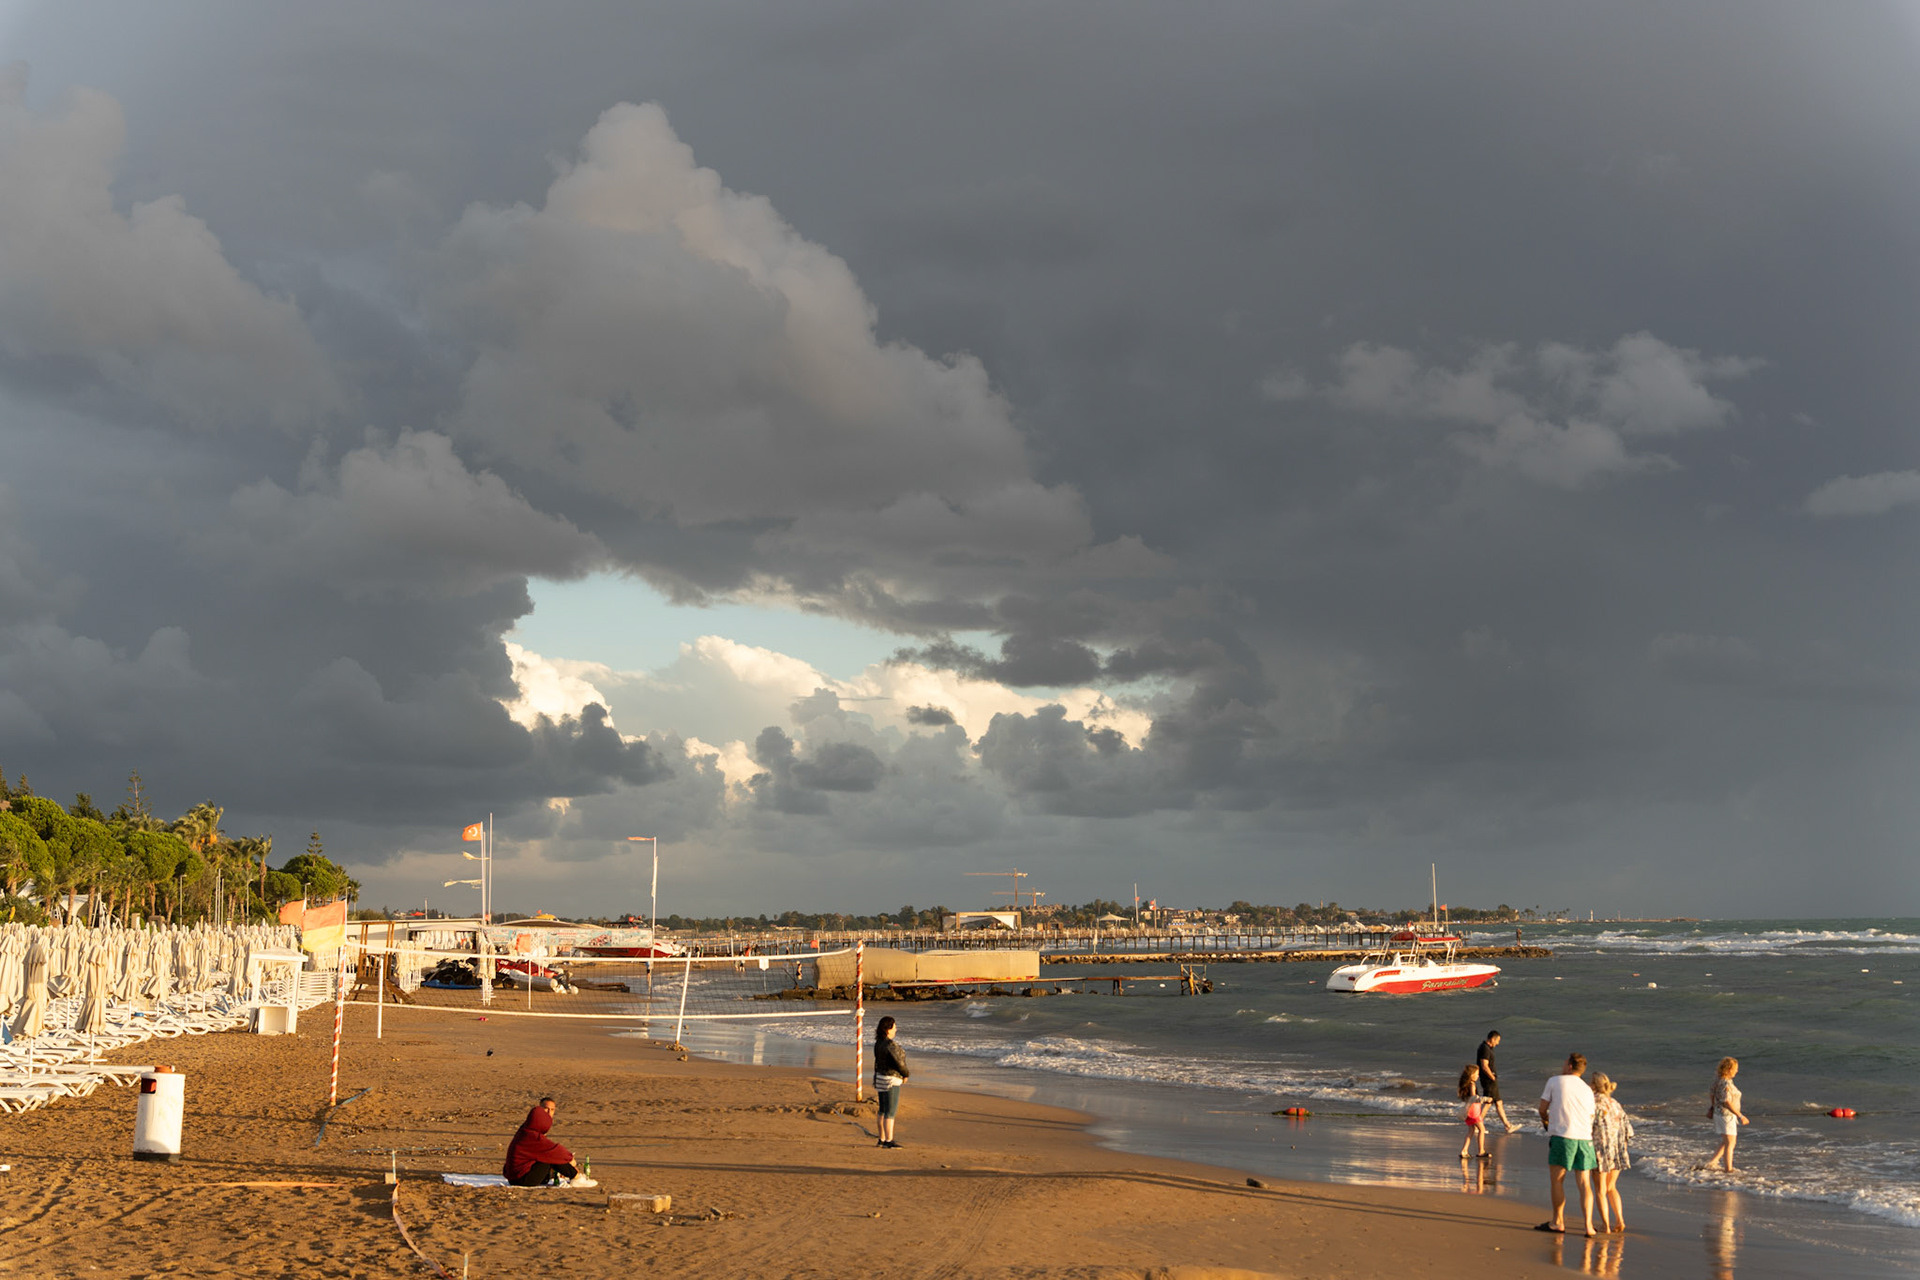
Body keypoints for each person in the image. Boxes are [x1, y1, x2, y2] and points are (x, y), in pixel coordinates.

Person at [1536, 1052, 1597, 1237]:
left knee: (1557, 1180)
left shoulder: (1555, 1081)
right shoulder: (1588, 1089)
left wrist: (1546, 1120)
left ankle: (1558, 1221)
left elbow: (1542, 1108)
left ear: (1569, 1066)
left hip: (1563, 1136)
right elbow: (1591, 1116)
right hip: (1585, 1138)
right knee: (1584, 1183)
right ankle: (1588, 1226)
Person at [504, 1096, 597, 1188]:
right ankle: (576, 1178)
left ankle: (565, 1175)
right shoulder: (531, 1136)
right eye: (546, 1109)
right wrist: (570, 1159)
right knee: (551, 1155)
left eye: (552, 1110)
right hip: (521, 1179)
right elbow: (554, 1150)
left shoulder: (526, 1130)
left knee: (549, 1156)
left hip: (516, 1176)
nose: (549, 1113)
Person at [1589, 1072, 1634, 1232]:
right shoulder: (1615, 1103)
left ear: (1593, 1086)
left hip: (1600, 1151)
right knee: (1611, 1187)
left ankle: (1606, 1225)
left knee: (1600, 1190)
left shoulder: (1592, 1103)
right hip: (1618, 1151)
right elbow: (1628, 1130)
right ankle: (1620, 1220)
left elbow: (1588, 1126)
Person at [872, 1015, 909, 1148]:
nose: (896, 1029)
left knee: (882, 1109)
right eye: (894, 1027)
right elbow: (899, 1063)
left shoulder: (878, 1043)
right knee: (890, 1111)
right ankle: (889, 1140)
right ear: (888, 1029)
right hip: (891, 1079)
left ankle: (881, 1138)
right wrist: (906, 1074)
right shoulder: (890, 1045)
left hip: (880, 1077)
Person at [1706, 1056, 1748, 1171]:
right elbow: (1727, 1102)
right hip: (1726, 1116)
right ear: (1729, 1069)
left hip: (1720, 1114)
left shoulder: (1719, 1079)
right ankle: (1728, 1170)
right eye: (1735, 1068)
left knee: (1726, 1141)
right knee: (1730, 1142)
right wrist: (1740, 1115)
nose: (1737, 1071)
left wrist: (1712, 1107)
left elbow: (1711, 1093)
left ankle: (1712, 1162)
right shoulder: (1725, 1083)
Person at [1476, 1029, 1519, 1133]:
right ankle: (1477, 1124)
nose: (1498, 1043)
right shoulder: (1485, 1048)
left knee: (1496, 1102)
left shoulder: (1487, 1048)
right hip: (1488, 1080)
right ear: (1492, 1039)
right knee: (1489, 1102)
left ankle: (1507, 1125)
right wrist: (1492, 1077)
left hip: (1489, 1079)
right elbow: (1484, 1066)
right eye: (1497, 1040)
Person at [1457, 1064, 1489, 1160]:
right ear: (1472, 1075)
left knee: (1471, 1131)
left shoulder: (1465, 1085)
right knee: (1482, 1130)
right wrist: (1486, 1099)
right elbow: (1474, 1098)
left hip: (1468, 1111)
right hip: (1474, 1111)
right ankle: (1481, 1151)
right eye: (1477, 1074)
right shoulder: (1472, 1085)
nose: (1478, 1076)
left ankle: (1464, 1150)